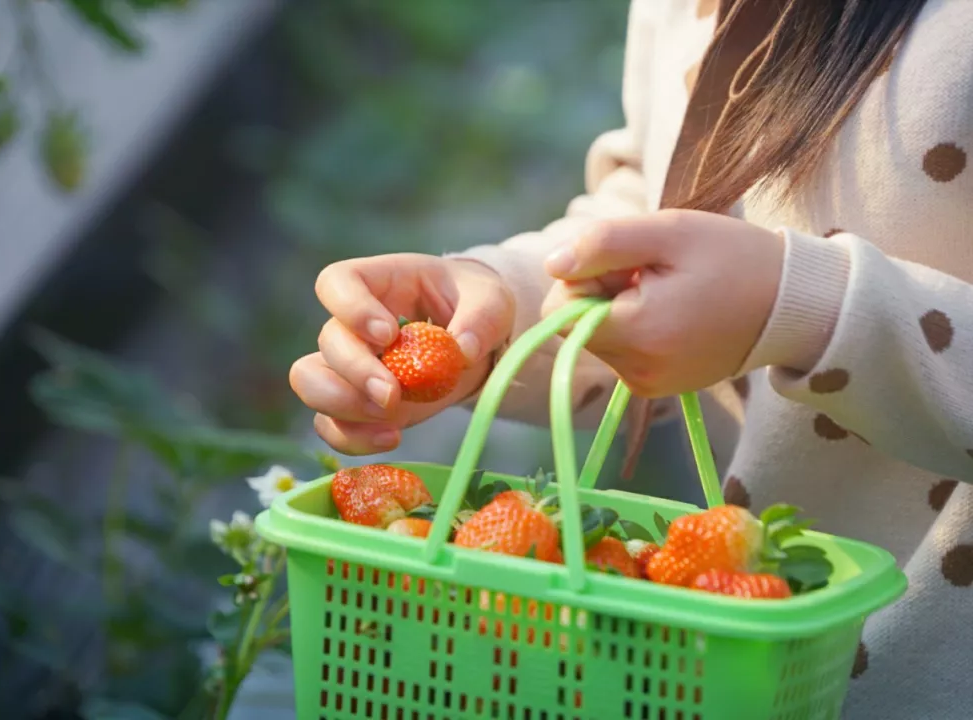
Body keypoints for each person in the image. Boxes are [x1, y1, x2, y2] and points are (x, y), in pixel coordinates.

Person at [289, 1, 972, 717]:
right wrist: (490, 318)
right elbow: (661, 197)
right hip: (740, 669)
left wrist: (803, 307)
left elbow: (764, 277)